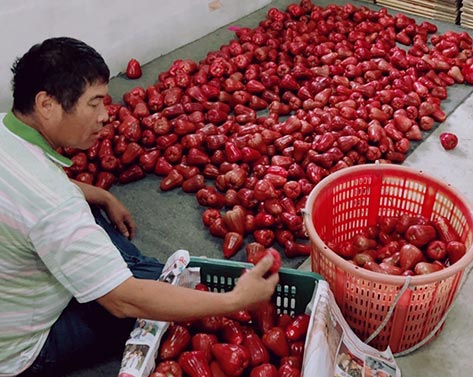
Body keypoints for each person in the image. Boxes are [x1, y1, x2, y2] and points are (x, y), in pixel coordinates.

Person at [0, 37, 279, 377]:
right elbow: (123, 301)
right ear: (46, 104)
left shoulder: (6, 128)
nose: (106, 116)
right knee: (156, 300)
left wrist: (103, 195)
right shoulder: (54, 203)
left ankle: (136, 271)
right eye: (94, 103)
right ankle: (145, 275)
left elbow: (38, 195)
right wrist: (234, 301)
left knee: (93, 216)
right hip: (23, 351)